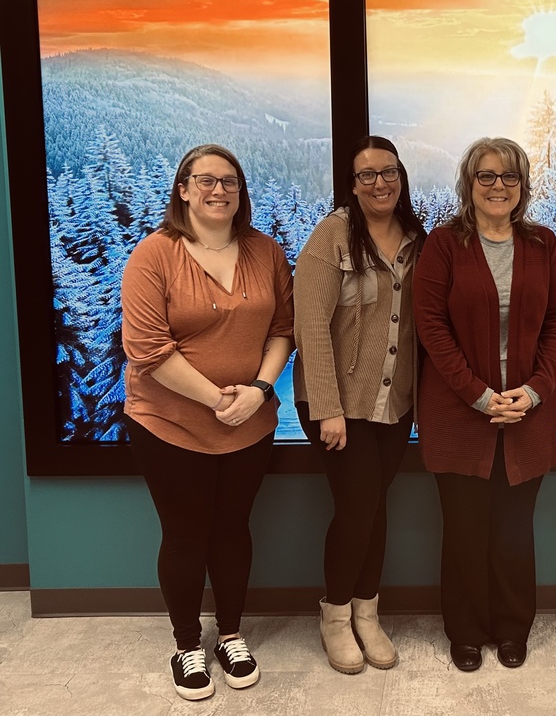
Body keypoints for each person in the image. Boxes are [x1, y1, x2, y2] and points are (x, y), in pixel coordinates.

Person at [121, 144, 294, 701]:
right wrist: (220, 399)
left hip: (251, 421)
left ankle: (232, 634)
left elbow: (283, 330)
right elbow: (147, 348)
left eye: (230, 182)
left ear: (241, 192)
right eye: (206, 181)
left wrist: (260, 391)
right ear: (184, 189)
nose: (219, 191)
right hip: (167, 423)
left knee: (233, 529)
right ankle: (186, 642)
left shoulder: (266, 252)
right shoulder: (154, 255)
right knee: (186, 533)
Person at [414, 137, 556, 672]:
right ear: (469, 184)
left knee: (512, 529)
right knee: (463, 529)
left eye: (509, 177)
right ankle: (465, 630)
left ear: (523, 185)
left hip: (527, 413)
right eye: (487, 176)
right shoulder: (443, 245)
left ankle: (511, 628)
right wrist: (480, 396)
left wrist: (533, 391)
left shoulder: (543, 245)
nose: (498, 186)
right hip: (459, 413)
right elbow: (431, 329)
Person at [293, 135, 426, 674]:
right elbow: (311, 325)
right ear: (351, 185)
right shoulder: (332, 236)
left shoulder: (417, 238)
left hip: (394, 403)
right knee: (356, 508)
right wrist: (327, 407)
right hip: (338, 404)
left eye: (388, 172)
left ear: (401, 177)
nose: (379, 183)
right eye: (366, 174)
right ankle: (334, 615)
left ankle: (367, 615)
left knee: (374, 506)